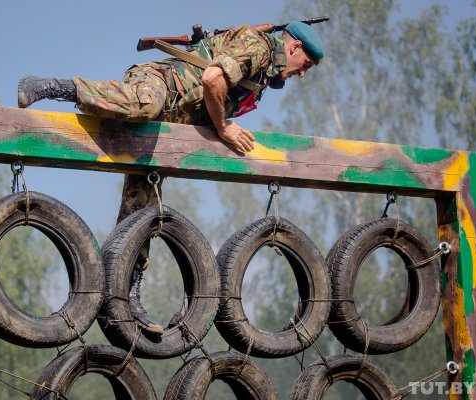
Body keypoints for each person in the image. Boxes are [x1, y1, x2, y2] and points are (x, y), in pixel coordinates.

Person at [18, 21, 324, 335]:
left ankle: (124, 296)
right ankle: (52, 87)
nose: (302, 73)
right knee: (145, 104)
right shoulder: (259, 46)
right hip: (160, 85)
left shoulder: (262, 75)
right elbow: (213, 78)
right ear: (294, 47)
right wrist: (224, 127)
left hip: (172, 123)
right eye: (306, 65)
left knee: (142, 209)